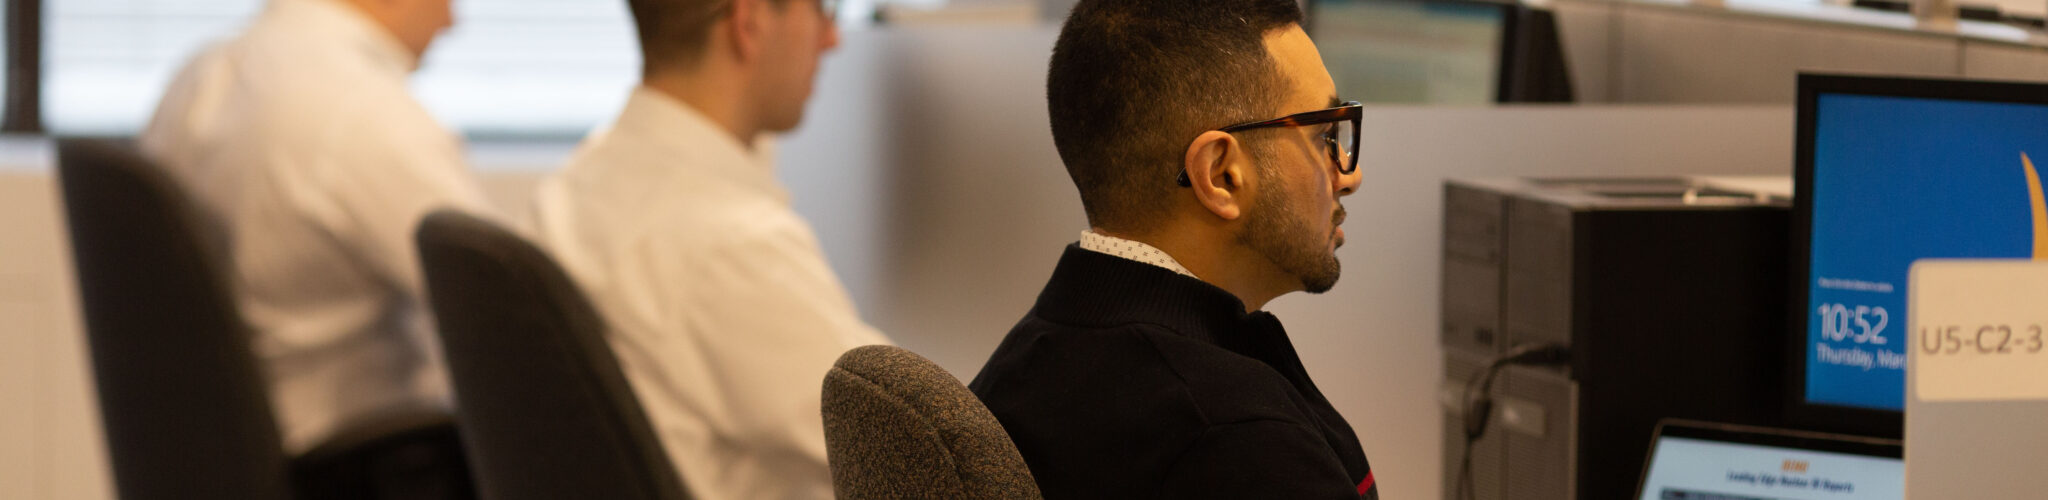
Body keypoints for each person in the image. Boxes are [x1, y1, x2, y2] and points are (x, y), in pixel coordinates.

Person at [965, 0, 1377, 497]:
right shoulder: (1239, 439)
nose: (1348, 177)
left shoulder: (1025, 360)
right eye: (1321, 136)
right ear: (1221, 174)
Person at [531, 0, 886, 497]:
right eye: (821, 10)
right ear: (750, 24)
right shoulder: (728, 244)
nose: (833, 39)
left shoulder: (583, 177)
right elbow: (922, 452)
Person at [141, 0, 485, 454]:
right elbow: (507, 315)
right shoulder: (362, 113)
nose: (451, 22)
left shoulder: (199, 77)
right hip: (355, 464)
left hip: (218, 451)